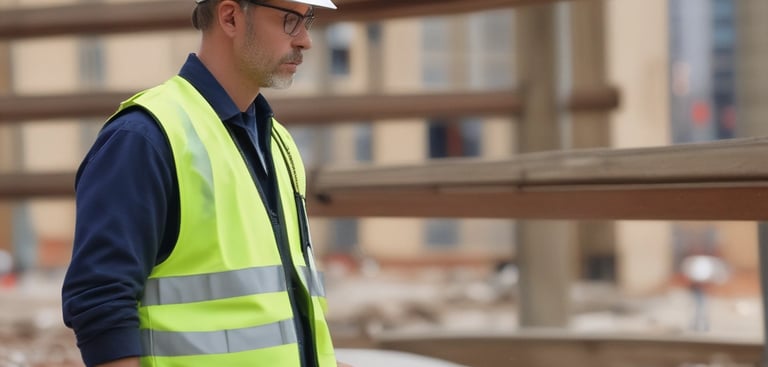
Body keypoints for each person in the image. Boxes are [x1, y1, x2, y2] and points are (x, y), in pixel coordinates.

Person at [61, 0, 352, 366]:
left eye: (307, 20)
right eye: (290, 21)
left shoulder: (279, 143)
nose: (307, 40)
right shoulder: (145, 137)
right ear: (230, 16)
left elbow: (283, 307)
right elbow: (101, 301)